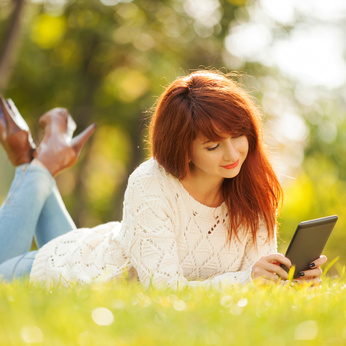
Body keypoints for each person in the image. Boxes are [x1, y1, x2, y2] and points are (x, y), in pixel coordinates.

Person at [0, 70, 326, 288]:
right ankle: (41, 164)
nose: (232, 155)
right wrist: (248, 280)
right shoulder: (151, 183)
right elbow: (164, 289)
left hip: (99, 249)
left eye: (239, 136)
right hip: (73, 270)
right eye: (213, 145)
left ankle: (37, 162)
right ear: (183, 149)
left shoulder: (253, 189)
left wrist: (288, 280)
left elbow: (254, 281)